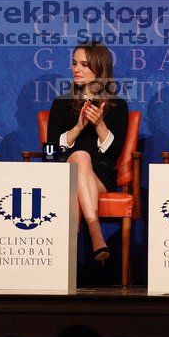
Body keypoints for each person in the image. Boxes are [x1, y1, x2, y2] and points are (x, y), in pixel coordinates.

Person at [46, 42, 129, 263]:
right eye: (74, 63)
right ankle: (96, 232)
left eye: (84, 64)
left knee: (83, 160)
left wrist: (100, 124)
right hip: (63, 175)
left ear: (99, 69)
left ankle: (65, 262)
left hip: (100, 176)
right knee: (79, 158)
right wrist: (78, 128)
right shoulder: (61, 104)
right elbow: (50, 151)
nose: (76, 69)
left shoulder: (117, 106)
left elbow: (114, 153)